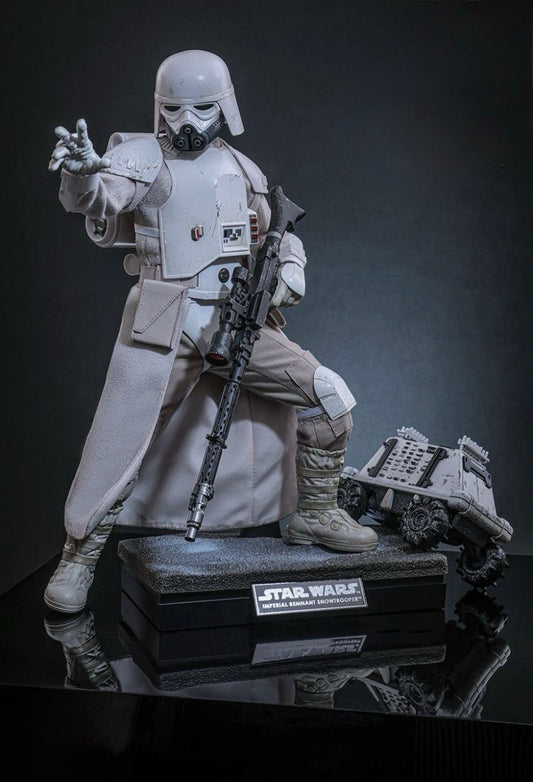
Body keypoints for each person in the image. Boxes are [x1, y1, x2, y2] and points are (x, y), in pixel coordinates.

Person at [44, 49, 378, 614]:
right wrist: (81, 174)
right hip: (165, 320)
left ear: (224, 107)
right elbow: (100, 198)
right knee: (122, 440)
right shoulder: (142, 158)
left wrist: (290, 266)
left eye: (201, 108)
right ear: (159, 107)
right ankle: (78, 556)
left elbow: (276, 232)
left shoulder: (242, 169)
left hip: (236, 318)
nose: (187, 121)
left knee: (328, 395)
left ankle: (316, 511)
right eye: (174, 108)